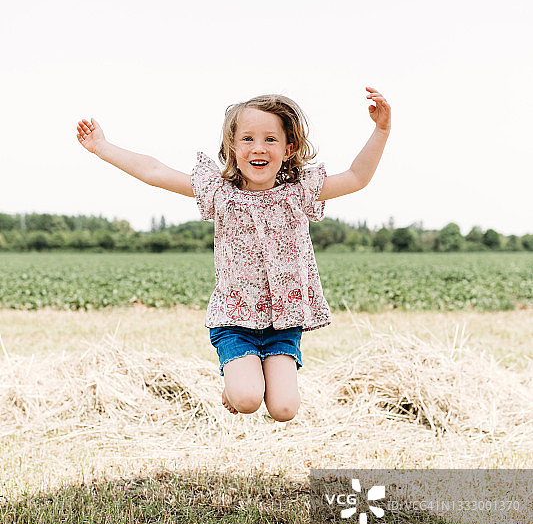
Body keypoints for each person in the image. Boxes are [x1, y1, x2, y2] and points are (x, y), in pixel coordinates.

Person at [76, 88, 391, 421]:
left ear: (289, 149)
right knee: (247, 399)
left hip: (282, 321)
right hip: (235, 319)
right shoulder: (221, 194)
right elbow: (154, 172)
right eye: (248, 139)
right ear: (232, 148)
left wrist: (381, 130)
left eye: (271, 139)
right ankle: (235, 388)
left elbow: (357, 177)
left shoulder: (299, 193)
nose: (258, 147)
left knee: (284, 409)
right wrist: (102, 147)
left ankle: (251, 381)